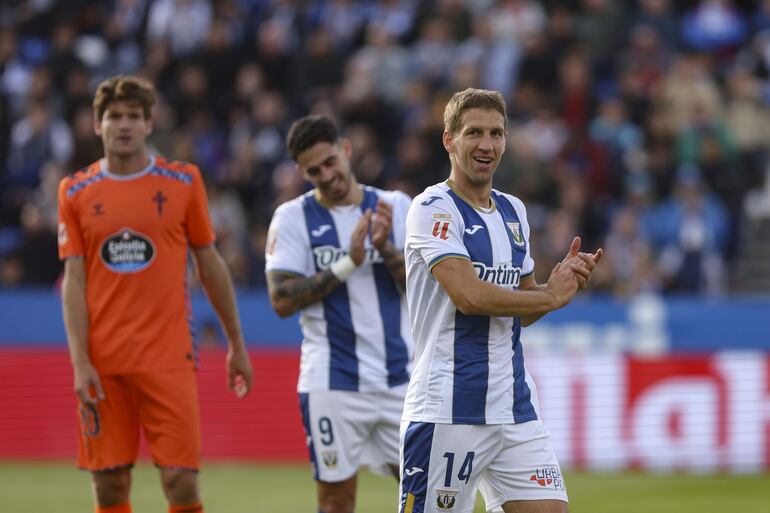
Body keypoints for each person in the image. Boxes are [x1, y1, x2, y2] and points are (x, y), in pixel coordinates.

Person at [399, 88, 602, 513]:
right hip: (448, 407)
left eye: (496, 133)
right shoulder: (432, 208)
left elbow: (519, 309)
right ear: (448, 139)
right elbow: (469, 296)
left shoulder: (514, 211)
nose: (486, 145)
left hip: (514, 405)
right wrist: (547, 296)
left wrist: (556, 287)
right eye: (474, 133)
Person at [57, 75, 253, 513]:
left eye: (133, 116)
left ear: (148, 124)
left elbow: (211, 266)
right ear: (96, 124)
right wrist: (79, 361)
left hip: (168, 356)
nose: (123, 124)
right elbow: (74, 281)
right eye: (113, 116)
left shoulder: (183, 182)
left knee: (181, 482)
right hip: (103, 363)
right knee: (109, 486)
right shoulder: (74, 191)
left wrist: (235, 343)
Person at [265, 114, 413, 513]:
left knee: (428, 495)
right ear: (301, 171)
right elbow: (281, 299)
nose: (327, 175)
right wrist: (347, 263)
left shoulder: (397, 208)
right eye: (314, 170)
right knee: (335, 504)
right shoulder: (293, 218)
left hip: (400, 378)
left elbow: (426, 290)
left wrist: (385, 250)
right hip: (331, 381)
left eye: (331, 162)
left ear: (346, 150)